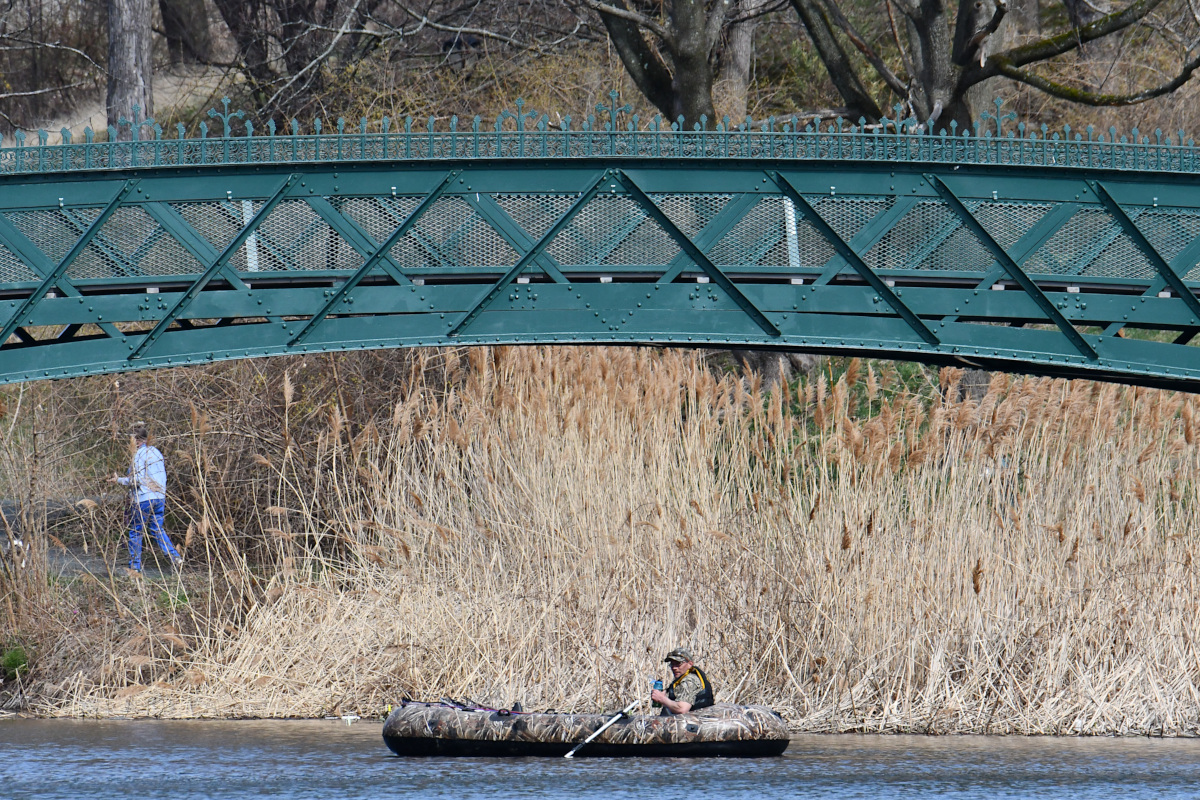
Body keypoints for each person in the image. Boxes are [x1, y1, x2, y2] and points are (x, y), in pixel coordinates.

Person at [108, 423, 181, 574]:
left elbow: (137, 480)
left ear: (136, 440)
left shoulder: (139, 455)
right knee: (157, 529)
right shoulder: (156, 452)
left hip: (143, 498)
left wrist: (119, 480)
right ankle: (175, 557)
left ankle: (135, 568)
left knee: (135, 531)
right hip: (160, 497)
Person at [650, 647, 715, 714]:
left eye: (678, 664)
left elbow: (682, 709)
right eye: (672, 664)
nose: (674, 668)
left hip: (694, 722)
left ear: (690, 664)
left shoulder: (689, 680)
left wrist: (662, 699)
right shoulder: (681, 679)